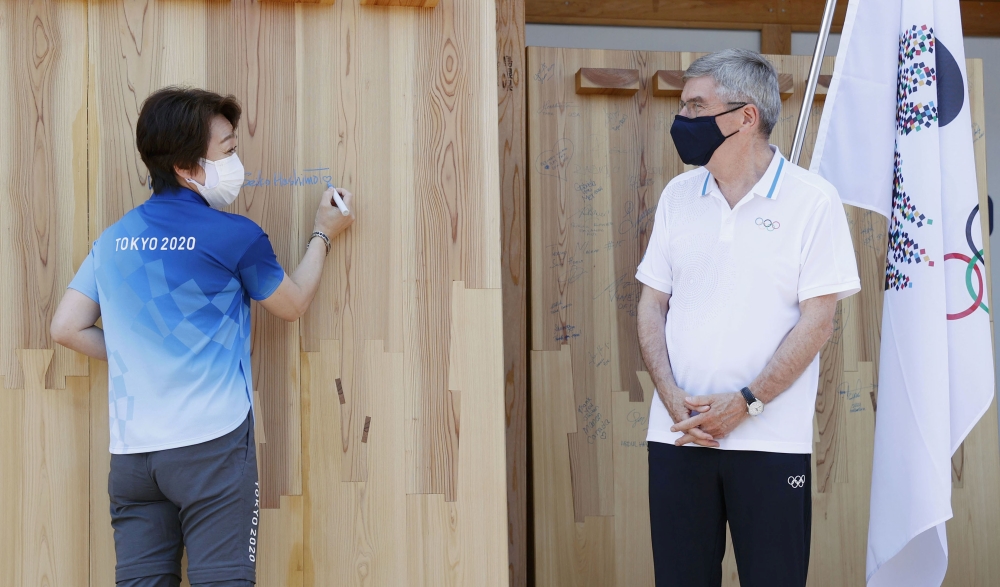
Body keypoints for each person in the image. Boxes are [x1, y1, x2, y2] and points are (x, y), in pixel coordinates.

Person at [50, 87, 355, 587]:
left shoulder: (113, 239)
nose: (238, 162)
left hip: (133, 457)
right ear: (189, 170)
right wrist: (324, 233)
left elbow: (66, 327)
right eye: (229, 151)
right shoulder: (234, 235)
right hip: (211, 449)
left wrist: (137, 356)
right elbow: (293, 303)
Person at [636, 49, 860, 587]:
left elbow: (817, 324)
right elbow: (651, 303)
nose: (681, 120)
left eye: (695, 106)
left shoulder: (813, 201)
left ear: (745, 116)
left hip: (770, 443)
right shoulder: (678, 196)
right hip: (680, 439)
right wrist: (671, 399)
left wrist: (746, 404)